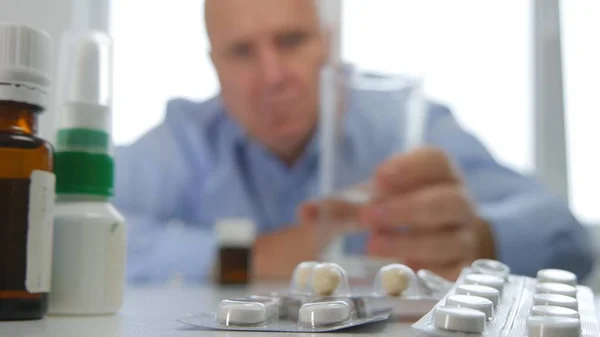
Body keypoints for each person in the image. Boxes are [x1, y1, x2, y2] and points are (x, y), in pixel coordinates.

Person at [113, 0, 595, 285]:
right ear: (214, 64)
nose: (273, 77)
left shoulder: (403, 123)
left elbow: (565, 232)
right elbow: (82, 225)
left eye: (291, 41)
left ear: (330, 43)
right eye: (242, 52)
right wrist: (252, 256)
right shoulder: (186, 137)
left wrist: (478, 236)